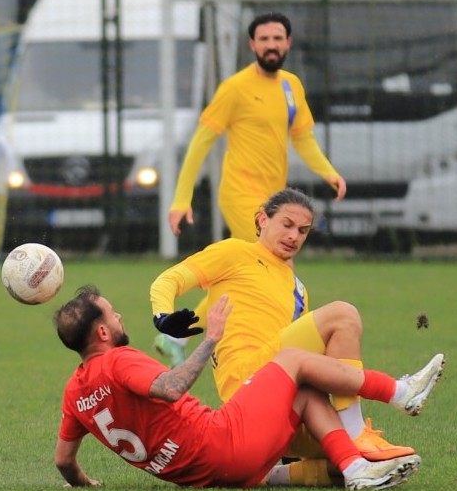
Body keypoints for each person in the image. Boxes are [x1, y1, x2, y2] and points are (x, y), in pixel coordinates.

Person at [53, 287, 446, 491]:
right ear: (103, 332)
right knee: (292, 359)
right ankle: (400, 392)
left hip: (205, 474)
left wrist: (86, 484)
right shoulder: (117, 360)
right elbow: (172, 388)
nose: (119, 315)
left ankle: (354, 467)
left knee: (303, 392)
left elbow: (64, 463)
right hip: (221, 442)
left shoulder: (74, 392)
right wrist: (212, 339)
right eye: (112, 313)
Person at [151, 187, 418, 475]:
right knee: (343, 315)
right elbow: (169, 280)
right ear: (262, 220)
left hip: (275, 409)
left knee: (354, 461)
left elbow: (303, 366)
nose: (294, 236)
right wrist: (163, 316)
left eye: (303, 230)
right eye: (287, 225)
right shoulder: (234, 251)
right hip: (246, 385)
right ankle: (369, 419)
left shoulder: (298, 290)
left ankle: (275, 476)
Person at [155, 12, 346, 365]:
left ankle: (176, 338)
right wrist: (182, 197)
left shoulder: (291, 86)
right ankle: (290, 342)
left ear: (287, 43)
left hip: (276, 199)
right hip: (240, 194)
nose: (271, 45)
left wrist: (328, 171)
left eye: (277, 38)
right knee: (270, 265)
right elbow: (202, 141)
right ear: (251, 45)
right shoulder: (235, 88)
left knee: (237, 272)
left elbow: (303, 138)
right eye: (264, 39)